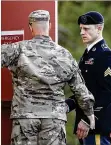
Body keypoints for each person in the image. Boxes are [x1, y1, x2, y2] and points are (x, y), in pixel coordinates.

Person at [1, 10, 95, 145]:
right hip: (54, 119)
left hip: (25, 118)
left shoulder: (18, 49)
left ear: (30, 27)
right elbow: (81, 91)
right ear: (50, 25)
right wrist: (89, 113)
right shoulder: (65, 55)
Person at [65, 11, 111, 145]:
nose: (82, 32)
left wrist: (88, 119)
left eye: (86, 28)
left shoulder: (106, 55)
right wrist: (66, 105)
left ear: (99, 28)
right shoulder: (88, 55)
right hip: (86, 126)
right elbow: (85, 91)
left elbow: (107, 93)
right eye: (81, 28)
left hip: (97, 126)